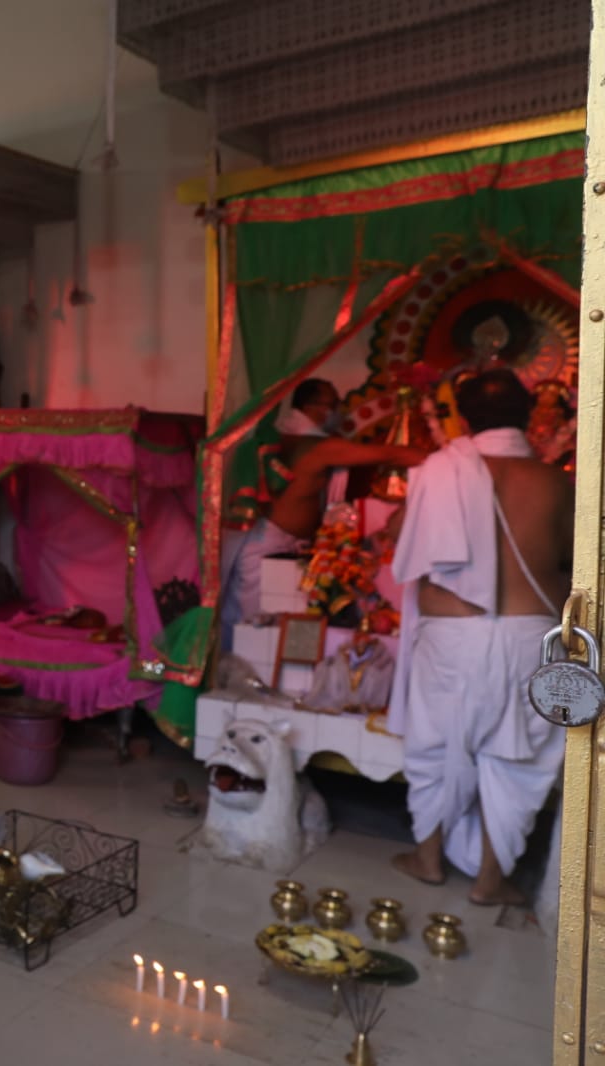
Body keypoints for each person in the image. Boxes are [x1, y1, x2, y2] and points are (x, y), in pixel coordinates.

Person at [387, 369, 572, 906]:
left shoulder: (438, 472)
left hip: (451, 634)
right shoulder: (555, 482)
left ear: (463, 419)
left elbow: (400, 537)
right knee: (518, 759)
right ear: (530, 417)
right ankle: (490, 882)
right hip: (528, 634)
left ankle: (427, 859)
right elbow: (569, 558)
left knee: (433, 746)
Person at [219, 378, 427, 646]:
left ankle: (261, 678)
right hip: (265, 542)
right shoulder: (317, 446)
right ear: (311, 407)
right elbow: (388, 454)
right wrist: (440, 458)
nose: (337, 412)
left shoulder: (289, 437)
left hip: (290, 546)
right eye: (333, 404)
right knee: (249, 622)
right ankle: (236, 679)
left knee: (279, 623)